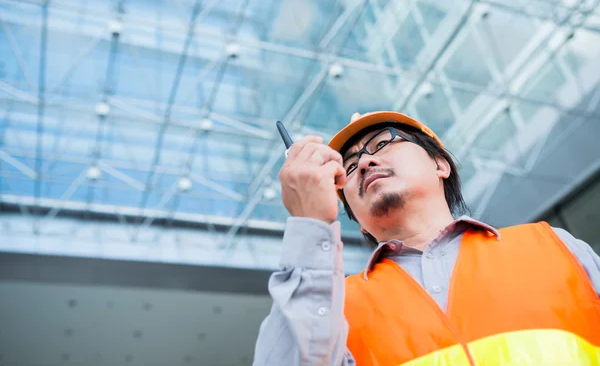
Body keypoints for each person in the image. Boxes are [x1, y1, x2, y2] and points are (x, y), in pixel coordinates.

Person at [253, 111, 600, 366]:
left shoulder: (556, 247)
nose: (364, 162)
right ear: (356, 219)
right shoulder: (333, 308)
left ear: (440, 165)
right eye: (351, 162)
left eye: (381, 142)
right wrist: (310, 222)